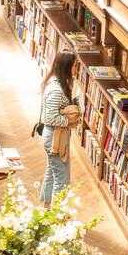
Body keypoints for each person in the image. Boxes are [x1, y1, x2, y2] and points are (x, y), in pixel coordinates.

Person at [37, 51, 81, 204]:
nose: (77, 69)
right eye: (75, 66)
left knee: (52, 171)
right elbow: (49, 118)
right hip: (55, 137)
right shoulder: (56, 89)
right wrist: (69, 121)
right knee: (61, 177)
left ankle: (47, 207)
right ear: (67, 67)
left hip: (56, 135)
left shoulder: (58, 83)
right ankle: (57, 215)